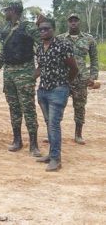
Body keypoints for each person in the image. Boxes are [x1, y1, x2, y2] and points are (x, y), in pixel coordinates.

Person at [0, 1, 42, 157]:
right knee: (14, 108)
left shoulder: (28, 27)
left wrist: (39, 69)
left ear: (13, 11)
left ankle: (34, 145)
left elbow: (43, 45)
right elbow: (3, 54)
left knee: (28, 109)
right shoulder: (6, 29)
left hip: (25, 72)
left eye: (6, 10)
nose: (5, 13)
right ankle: (17, 140)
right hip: (9, 73)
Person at [34, 17, 78, 171]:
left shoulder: (63, 45)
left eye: (46, 29)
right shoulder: (40, 47)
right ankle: (51, 155)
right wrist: (31, 79)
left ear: (53, 29)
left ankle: (56, 159)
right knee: (48, 123)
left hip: (58, 90)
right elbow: (41, 67)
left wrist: (65, 84)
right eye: (40, 29)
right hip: (43, 90)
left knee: (53, 124)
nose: (43, 31)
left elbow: (74, 68)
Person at [57, 13, 99, 144]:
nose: (73, 23)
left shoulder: (89, 39)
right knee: (57, 106)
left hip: (81, 79)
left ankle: (78, 134)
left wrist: (93, 76)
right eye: (71, 21)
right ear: (68, 23)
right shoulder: (60, 39)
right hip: (64, 78)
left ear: (79, 22)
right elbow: (54, 58)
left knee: (80, 107)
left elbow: (94, 59)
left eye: (75, 20)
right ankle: (53, 133)